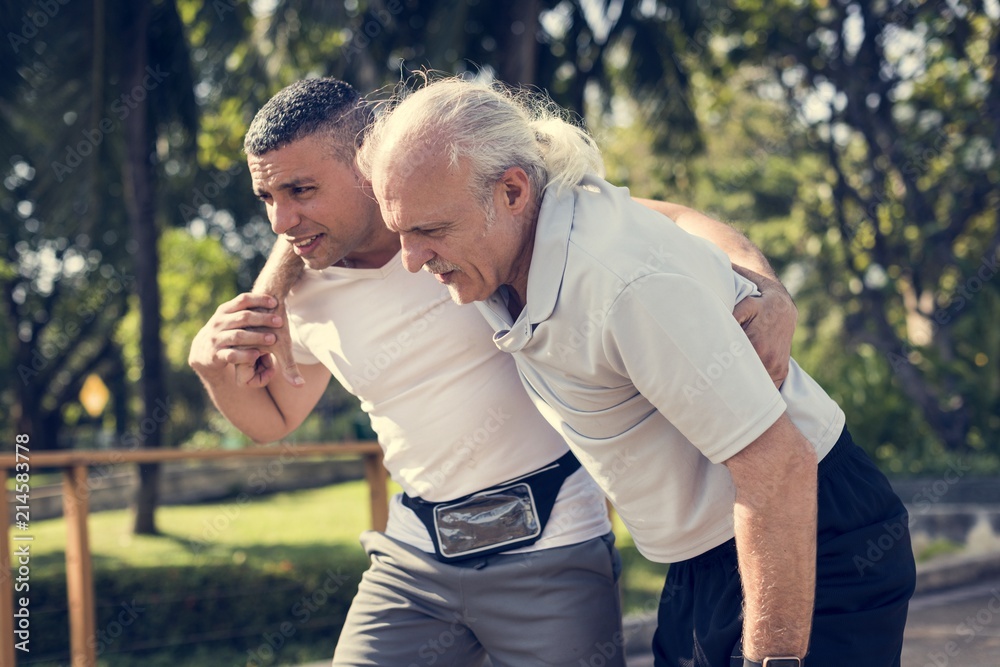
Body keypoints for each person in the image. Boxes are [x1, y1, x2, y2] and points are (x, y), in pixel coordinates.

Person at [189, 77, 797, 667]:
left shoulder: (477, 215)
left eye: (301, 190)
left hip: (555, 542)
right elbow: (275, 418)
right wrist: (215, 371)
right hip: (414, 557)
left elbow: (676, 221)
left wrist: (766, 288)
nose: (280, 220)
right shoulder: (300, 289)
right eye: (268, 197)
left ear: (365, 161)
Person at [356, 77, 917, 667]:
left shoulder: (622, 286)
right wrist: (763, 280)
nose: (413, 260)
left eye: (430, 231)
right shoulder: (541, 220)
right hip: (707, 552)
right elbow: (676, 215)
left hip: (809, 533)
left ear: (513, 191)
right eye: (402, 232)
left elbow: (780, 468)